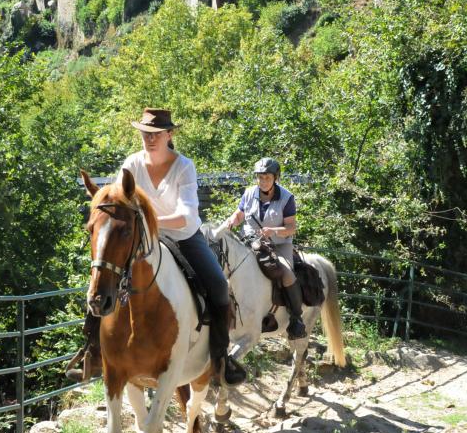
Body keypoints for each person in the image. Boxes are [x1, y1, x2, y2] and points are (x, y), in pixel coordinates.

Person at [75, 108, 246, 387]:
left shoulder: (184, 166)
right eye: (145, 133)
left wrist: (145, 221)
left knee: (217, 285)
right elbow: (118, 203)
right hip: (142, 239)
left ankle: (220, 358)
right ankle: (92, 352)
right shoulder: (131, 164)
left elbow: (187, 216)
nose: (149, 139)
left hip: (184, 237)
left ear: (169, 134)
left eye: (155, 134)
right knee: (103, 278)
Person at [224, 157, 306, 340]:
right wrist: (232, 220)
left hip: (278, 245)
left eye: (267, 177)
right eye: (260, 177)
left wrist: (273, 231)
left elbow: (291, 228)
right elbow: (239, 214)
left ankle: (296, 319)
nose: (262, 181)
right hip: (249, 242)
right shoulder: (248, 193)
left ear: (275, 178)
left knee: (286, 273)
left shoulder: (287, 197)